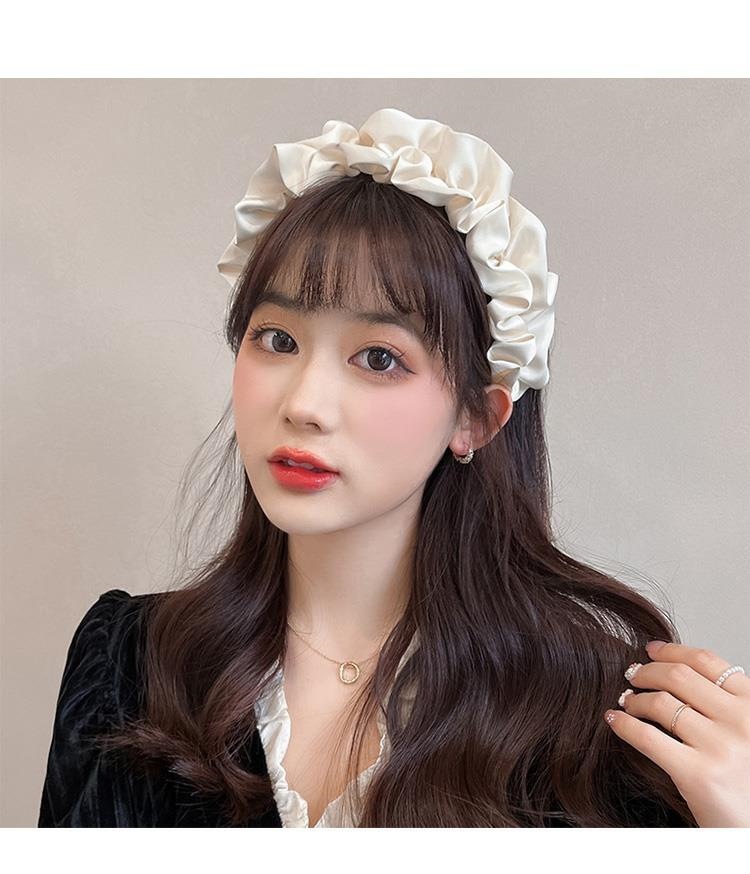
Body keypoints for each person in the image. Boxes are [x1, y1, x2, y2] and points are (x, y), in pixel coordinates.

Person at [38, 108, 749, 828]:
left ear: (477, 417)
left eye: (378, 357)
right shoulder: (127, 661)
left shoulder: (601, 716)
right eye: (277, 339)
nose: (304, 404)